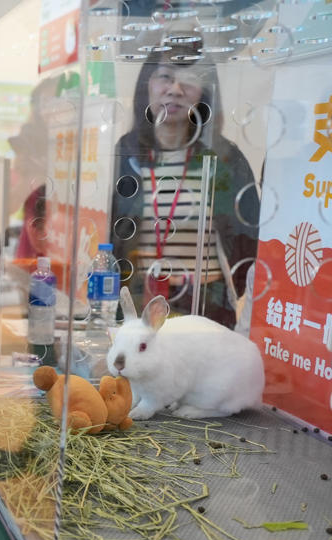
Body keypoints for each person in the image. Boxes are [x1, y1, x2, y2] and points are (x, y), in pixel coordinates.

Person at [110, 47, 259, 329]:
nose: (175, 89)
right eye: (165, 76)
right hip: (140, 300)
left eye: (189, 79)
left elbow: (249, 238)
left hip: (208, 304)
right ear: (148, 85)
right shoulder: (124, 153)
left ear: (204, 91)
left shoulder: (224, 157)